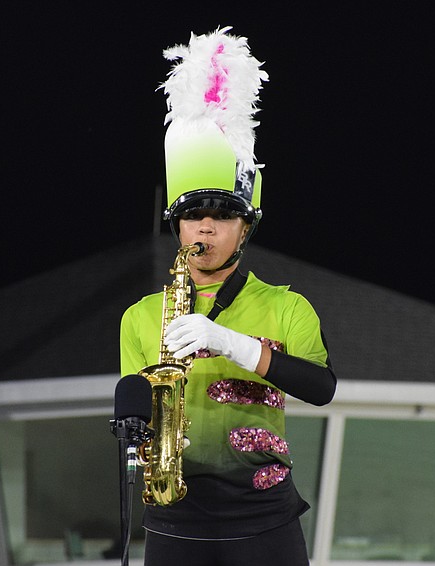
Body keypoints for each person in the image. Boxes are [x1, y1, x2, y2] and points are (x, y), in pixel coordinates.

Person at [119, 27, 337, 566]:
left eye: (223, 216)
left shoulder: (288, 306)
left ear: (247, 228)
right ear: (178, 228)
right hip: (173, 519)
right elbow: (133, 406)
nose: (206, 230)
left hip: (264, 521)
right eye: (194, 216)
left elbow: (322, 387)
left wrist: (233, 345)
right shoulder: (141, 316)